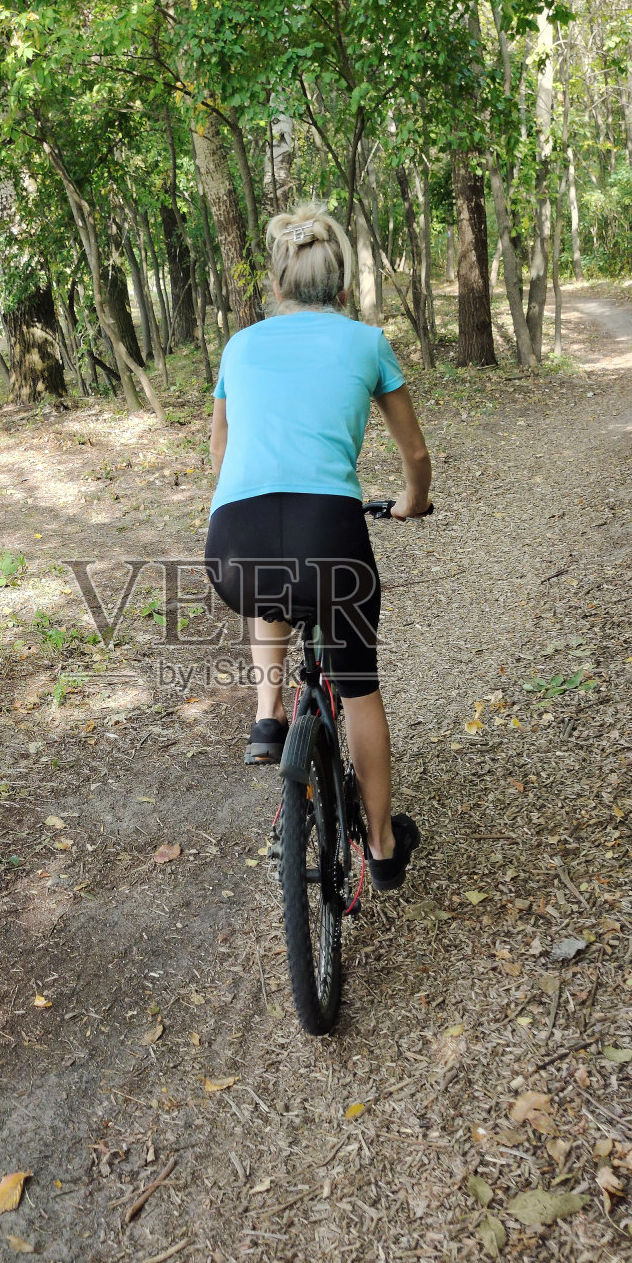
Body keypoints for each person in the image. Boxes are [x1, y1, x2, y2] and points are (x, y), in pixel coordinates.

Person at [204, 202, 433, 893]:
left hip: (234, 541)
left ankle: (268, 716)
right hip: (329, 537)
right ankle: (385, 846)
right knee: (357, 685)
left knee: (269, 583)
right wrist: (411, 502)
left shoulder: (240, 345)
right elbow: (415, 454)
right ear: (340, 285)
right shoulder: (366, 342)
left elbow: (220, 451)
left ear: (275, 287)